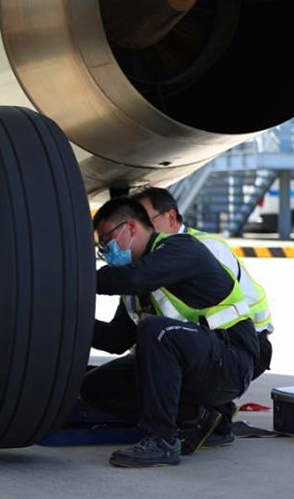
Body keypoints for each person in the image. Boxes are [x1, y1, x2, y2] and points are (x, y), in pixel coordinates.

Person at [85, 197, 259, 467]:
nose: (106, 253)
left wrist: (75, 278)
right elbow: (114, 340)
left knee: (156, 329)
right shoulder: (137, 286)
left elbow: (134, 278)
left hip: (231, 360)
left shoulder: (180, 248)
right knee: (96, 386)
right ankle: (196, 416)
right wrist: (69, 321)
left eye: (107, 242)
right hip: (197, 361)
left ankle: (162, 440)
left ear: (130, 227)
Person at [131, 187, 274, 446]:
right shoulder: (144, 268)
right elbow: (120, 336)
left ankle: (184, 423)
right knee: (105, 384)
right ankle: (200, 414)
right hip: (201, 347)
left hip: (243, 348)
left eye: (145, 220)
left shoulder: (205, 249)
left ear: (171, 218)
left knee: (160, 337)